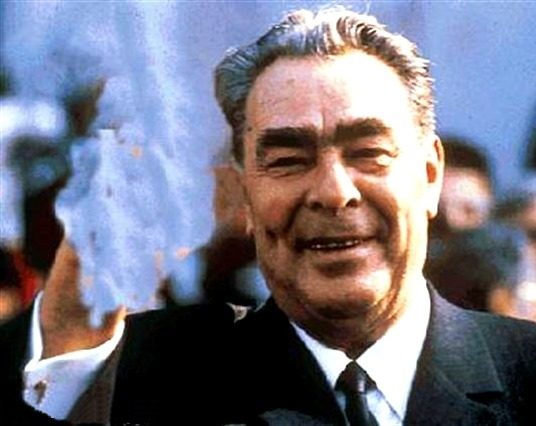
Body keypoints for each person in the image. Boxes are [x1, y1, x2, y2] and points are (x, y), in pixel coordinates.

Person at [2, 6, 536, 426]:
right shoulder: (153, 379)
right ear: (243, 194)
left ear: (430, 174)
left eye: (368, 152)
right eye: (288, 160)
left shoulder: (525, 372)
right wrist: (74, 326)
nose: (333, 192)